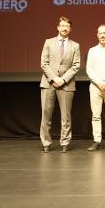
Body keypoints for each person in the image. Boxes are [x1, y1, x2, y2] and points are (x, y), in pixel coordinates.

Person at [39, 16, 81, 153]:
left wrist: (62, 80)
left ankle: (65, 142)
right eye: (62, 25)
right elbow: (44, 63)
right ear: (58, 27)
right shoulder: (48, 42)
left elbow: (76, 66)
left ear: (70, 28)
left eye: (67, 26)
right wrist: (54, 78)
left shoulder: (75, 45)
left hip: (66, 84)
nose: (64, 28)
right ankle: (46, 142)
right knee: (46, 114)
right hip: (48, 82)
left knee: (66, 116)